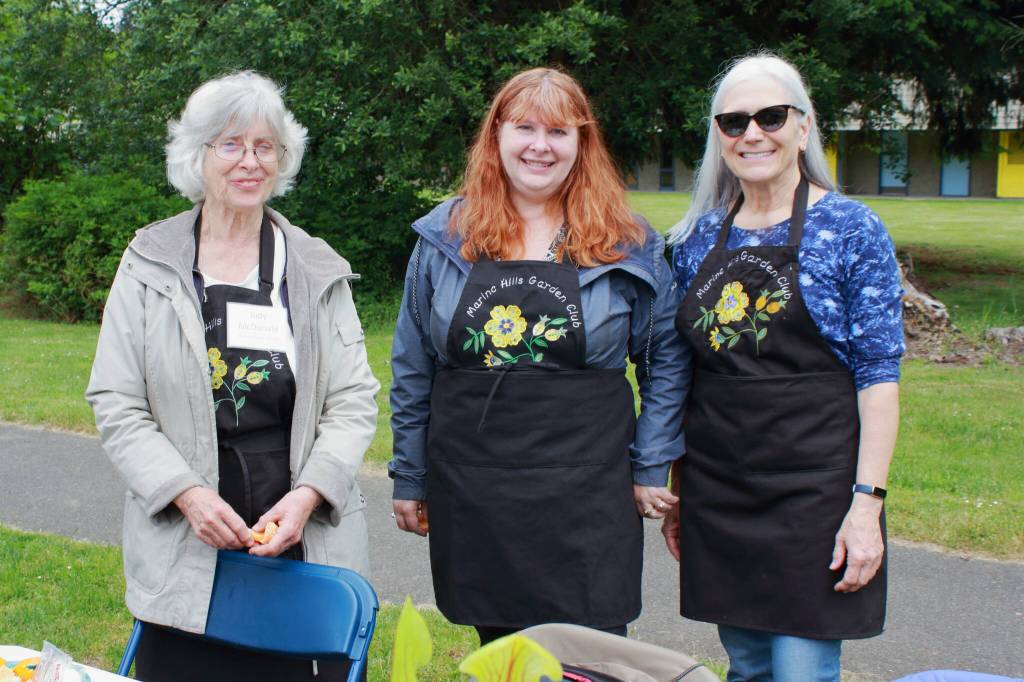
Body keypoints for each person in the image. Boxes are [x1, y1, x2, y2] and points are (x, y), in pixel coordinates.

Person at [85, 71, 379, 681]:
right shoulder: (148, 262)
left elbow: (353, 400)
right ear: (197, 157)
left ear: (282, 159)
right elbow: (117, 400)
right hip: (187, 543)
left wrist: (308, 498)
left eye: (264, 146)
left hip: (296, 540)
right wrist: (187, 495)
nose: (249, 161)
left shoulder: (316, 269)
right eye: (230, 145)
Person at [388, 67, 687, 645]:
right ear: (496, 135)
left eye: (558, 132)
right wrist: (409, 474)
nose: (539, 146)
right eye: (524, 127)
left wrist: (651, 464)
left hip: (588, 490)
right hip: (476, 488)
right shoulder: (445, 236)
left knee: (591, 655)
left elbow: (665, 359)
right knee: (500, 652)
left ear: (583, 143)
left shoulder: (627, 240)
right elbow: (413, 366)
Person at [662, 53, 904, 682]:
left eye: (771, 115)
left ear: (803, 125)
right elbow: (685, 374)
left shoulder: (850, 229)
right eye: (734, 121)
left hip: (814, 494)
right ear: (718, 135)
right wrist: (681, 491)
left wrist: (866, 506)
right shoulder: (695, 238)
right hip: (721, 490)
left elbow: (878, 379)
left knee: (801, 669)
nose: (753, 133)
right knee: (746, 666)